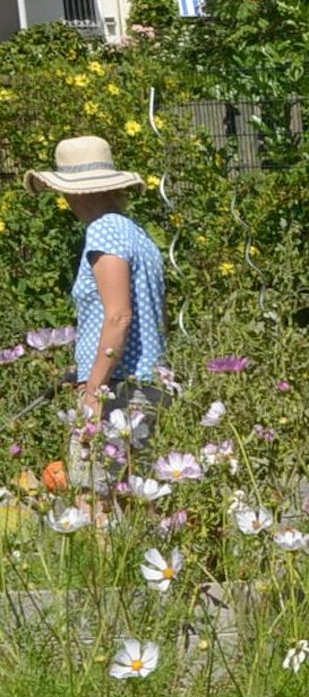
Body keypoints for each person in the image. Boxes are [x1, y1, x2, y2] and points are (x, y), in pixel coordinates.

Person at [26, 135, 169, 480]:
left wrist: (93, 392)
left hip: (116, 391)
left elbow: (119, 316)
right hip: (146, 386)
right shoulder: (137, 233)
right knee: (137, 503)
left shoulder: (103, 231)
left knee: (95, 498)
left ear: (72, 191)